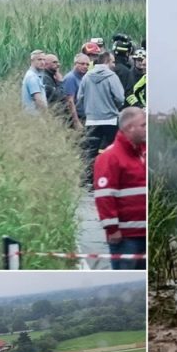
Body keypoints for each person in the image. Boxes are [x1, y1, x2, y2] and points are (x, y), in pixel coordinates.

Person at [93, 107, 147, 270]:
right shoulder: (110, 157)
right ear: (130, 128)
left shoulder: (143, 153)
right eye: (143, 125)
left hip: (145, 232)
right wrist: (112, 229)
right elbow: (104, 196)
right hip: (126, 237)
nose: (147, 129)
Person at [76, 50, 125, 181]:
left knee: (91, 151)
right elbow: (120, 98)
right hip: (110, 120)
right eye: (113, 62)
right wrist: (113, 106)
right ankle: (109, 177)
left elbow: (79, 97)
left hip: (91, 120)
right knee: (111, 150)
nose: (114, 65)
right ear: (107, 61)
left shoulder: (87, 76)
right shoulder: (112, 77)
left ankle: (89, 179)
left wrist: (88, 109)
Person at [62, 53, 91, 130]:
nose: (85, 66)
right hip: (77, 117)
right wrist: (76, 121)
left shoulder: (84, 78)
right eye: (82, 64)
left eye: (87, 64)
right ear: (75, 64)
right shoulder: (70, 78)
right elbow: (70, 101)